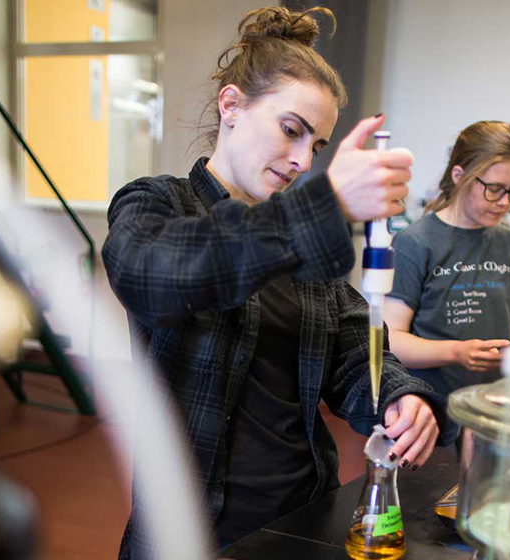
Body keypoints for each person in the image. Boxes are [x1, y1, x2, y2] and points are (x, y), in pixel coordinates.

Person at [101, 6, 454, 556]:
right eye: (291, 131)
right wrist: (326, 205)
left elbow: (352, 351)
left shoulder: (306, 242)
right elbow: (155, 276)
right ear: (232, 105)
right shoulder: (157, 203)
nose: (300, 162)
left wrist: (400, 400)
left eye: (315, 146)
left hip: (302, 517)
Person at [383, 121, 510, 400]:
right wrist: (456, 353)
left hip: (490, 401)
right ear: (459, 175)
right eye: (494, 188)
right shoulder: (415, 243)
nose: (504, 202)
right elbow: (391, 340)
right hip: (428, 406)